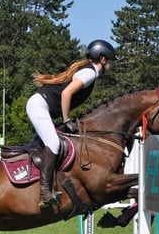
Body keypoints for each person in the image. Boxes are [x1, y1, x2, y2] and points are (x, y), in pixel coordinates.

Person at [25, 39, 116, 207]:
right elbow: (66, 94)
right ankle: (45, 192)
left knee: (53, 141)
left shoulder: (88, 71)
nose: (111, 65)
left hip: (42, 106)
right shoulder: (90, 73)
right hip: (39, 105)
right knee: (53, 142)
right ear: (103, 59)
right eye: (110, 61)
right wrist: (66, 120)